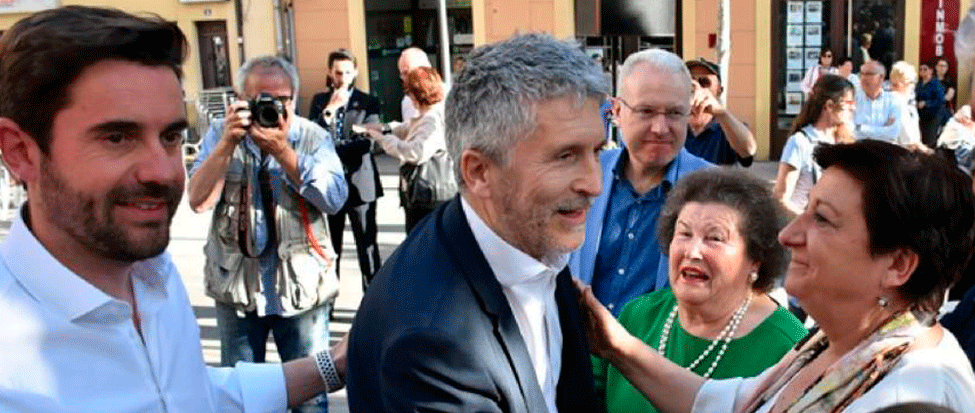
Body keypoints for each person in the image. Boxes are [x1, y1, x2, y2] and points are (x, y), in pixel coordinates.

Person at [0, 5, 345, 412]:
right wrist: (226, 145)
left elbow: (188, 392)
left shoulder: (154, 277)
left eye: (170, 137)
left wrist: (332, 366)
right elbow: (200, 199)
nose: (162, 172)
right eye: (116, 137)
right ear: (20, 153)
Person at [580, 140, 975, 413]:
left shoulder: (920, 388)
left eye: (822, 219)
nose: (788, 235)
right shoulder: (838, 344)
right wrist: (616, 345)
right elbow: (729, 404)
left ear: (898, 265)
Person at [346, 33, 608, 413]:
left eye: (597, 151)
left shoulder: (535, 243)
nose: (595, 184)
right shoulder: (429, 340)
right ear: (479, 171)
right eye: (565, 156)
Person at [188, 55, 348, 412]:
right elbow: (198, 200)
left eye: (284, 99)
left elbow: (335, 199)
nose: (274, 107)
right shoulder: (220, 134)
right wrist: (226, 145)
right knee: (242, 398)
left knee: (309, 397)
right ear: (239, 100)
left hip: (302, 290)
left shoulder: (311, 136)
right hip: (237, 289)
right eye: (262, 98)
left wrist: (283, 152)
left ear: (294, 98)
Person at [593, 168, 806, 413]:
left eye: (714, 238)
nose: (692, 252)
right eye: (684, 234)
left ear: (756, 258)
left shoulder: (787, 345)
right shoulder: (639, 314)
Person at [569, 49, 710, 316]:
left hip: (662, 356)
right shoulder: (583, 175)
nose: (660, 127)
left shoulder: (714, 190)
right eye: (646, 111)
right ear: (617, 110)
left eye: (675, 113)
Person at [308, 48, 383, 290]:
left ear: (356, 72)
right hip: (328, 185)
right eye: (338, 72)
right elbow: (311, 140)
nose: (343, 78)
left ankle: (373, 302)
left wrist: (332, 149)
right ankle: (328, 299)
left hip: (360, 184)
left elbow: (368, 142)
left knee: (367, 248)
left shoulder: (368, 101)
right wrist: (329, 110)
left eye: (348, 72)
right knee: (330, 248)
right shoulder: (320, 102)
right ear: (330, 72)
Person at [355, 66, 447, 233]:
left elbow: (415, 152)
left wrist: (383, 138)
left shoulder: (432, 119)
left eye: (410, 91)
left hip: (428, 197)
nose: (408, 96)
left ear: (418, 93)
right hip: (425, 196)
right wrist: (379, 128)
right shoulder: (426, 116)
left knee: (421, 245)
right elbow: (405, 127)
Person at [773, 74, 854, 215]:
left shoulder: (843, 141)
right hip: (802, 228)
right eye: (848, 103)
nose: (853, 108)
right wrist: (812, 222)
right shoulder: (799, 142)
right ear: (829, 106)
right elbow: (781, 199)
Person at [684, 58, 757, 166]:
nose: (696, 88)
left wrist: (721, 113)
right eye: (689, 82)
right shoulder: (674, 126)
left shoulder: (727, 127)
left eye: (704, 82)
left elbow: (748, 151)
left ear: (718, 90)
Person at [854, 60, 902, 143]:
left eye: (869, 74)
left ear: (881, 77)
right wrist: (883, 130)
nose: (863, 78)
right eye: (861, 74)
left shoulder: (893, 100)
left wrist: (860, 127)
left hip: (885, 151)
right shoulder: (853, 99)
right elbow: (848, 130)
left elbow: (893, 132)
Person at [888, 61, 923, 149]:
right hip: (900, 157)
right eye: (912, 83)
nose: (913, 87)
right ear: (901, 85)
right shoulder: (899, 104)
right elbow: (910, 142)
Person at [916, 62, 947, 148]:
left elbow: (941, 100)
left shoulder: (935, 84)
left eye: (925, 69)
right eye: (920, 69)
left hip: (934, 116)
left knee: (930, 140)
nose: (922, 71)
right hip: (922, 116)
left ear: (930, 71)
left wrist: (926, 103)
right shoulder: (919, 84)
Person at [397, 47, 432, 121]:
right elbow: (409, 128)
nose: (405, 79)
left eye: (407, 72)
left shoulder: (449, 97)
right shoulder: (407, 101)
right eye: (402, 74)